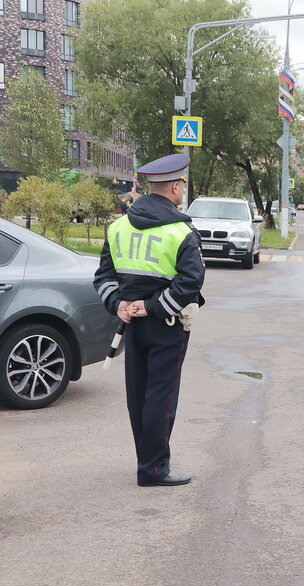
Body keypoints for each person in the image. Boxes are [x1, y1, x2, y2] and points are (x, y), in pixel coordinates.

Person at [94, 154, 205, 487]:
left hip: (130, 324)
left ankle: (147, 460)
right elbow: (191, 282)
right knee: (161, 396)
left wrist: (118, 305)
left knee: (139, 395)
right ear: (175, 187)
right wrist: (154, 307)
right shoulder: (181, 231)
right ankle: (154, 469)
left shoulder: (118, 227)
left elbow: (103, 277)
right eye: (181, 184)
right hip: (167, 325)